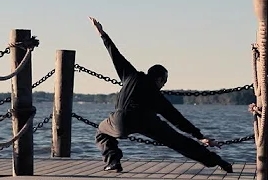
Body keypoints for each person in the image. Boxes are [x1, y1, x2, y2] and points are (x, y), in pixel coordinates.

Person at [88, 17, 233, 173]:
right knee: (179, 142)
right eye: (164, 80)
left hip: (120, 120)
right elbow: (177, 119)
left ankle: (113, 161)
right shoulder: (156, 96)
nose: (164, 84)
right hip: (145, 121)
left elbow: (114, 54)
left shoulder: (131, 75)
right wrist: (199, 136)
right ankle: (217, 161)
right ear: (158, 79)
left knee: (102, 132)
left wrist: (102, 33)